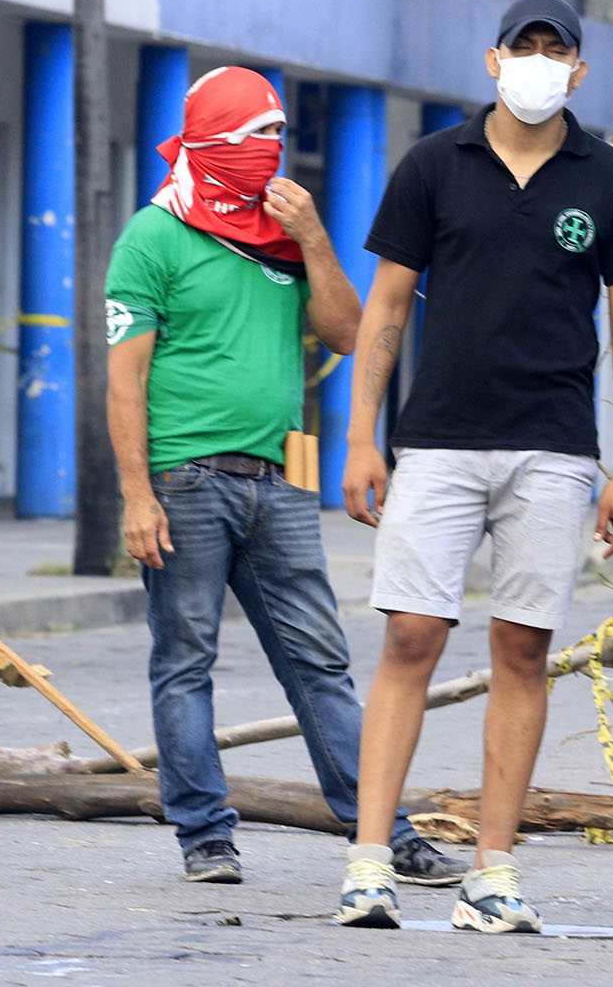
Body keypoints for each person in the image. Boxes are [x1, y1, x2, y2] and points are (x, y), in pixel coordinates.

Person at [335, 0, 613, 932]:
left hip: (554, 447)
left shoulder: (612, 179)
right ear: (494, 60)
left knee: (524, 649)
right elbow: (387, 305)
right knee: (410, 639)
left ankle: (494, 870)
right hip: (436, 440)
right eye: (526, 48)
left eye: (557, 52)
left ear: (579, 73)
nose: (539, 64)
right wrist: (363, 436)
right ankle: (367, 864)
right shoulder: (435, 164)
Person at [106, 66, 468, 888]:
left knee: (320, 662)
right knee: (185, 659)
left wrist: (312, 239)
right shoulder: (153, 237)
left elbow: (346, 332)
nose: (274, 152)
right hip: (185, 481)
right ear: (217, 142)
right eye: (259, 137)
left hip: (280, 481)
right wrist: (136, 493)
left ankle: (382, 833)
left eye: (278, 136)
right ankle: (205, 836)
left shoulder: (279, 234)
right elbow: (124, 379)